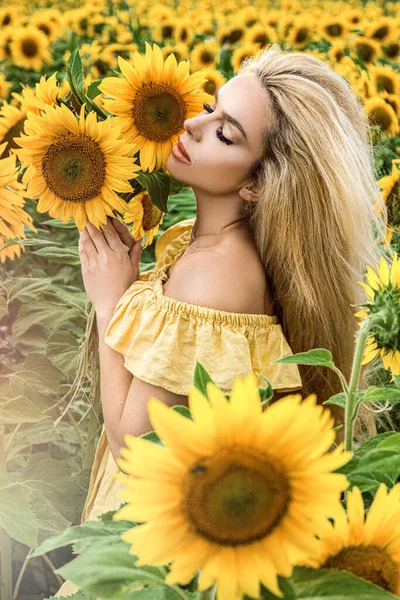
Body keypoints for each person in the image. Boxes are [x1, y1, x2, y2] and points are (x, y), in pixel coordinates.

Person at [54, 43, 387, 597]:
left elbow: (135, 452)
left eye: (225, 133)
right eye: (211, 106)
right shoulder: (205, 247)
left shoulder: (215, 274)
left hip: (149, 555)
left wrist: (111, 302)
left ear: (257, 183)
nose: (191, 123)